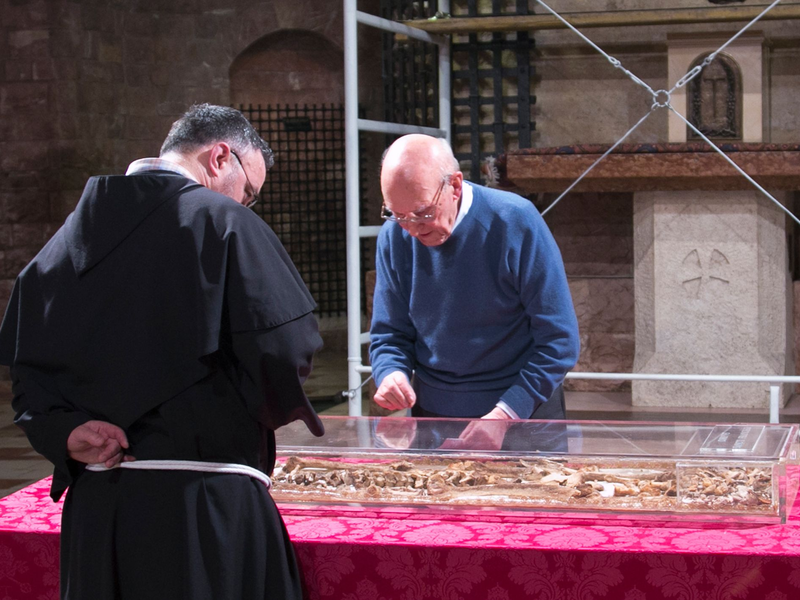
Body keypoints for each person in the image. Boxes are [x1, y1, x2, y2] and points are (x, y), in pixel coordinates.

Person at [0, 104, 323, 599]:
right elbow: (284, 350)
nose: (246, 204)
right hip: (202, 508)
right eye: (249, 191)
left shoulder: (61, 244)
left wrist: (64, 431)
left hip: (98, 512)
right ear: (220, 157)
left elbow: (28, 370)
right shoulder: (225, 223)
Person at [369, 134, 580, 448]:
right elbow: (389, 334)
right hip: (434, 417)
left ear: (454, 186)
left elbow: (559, 341)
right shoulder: (394, 237)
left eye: (423, 213)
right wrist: (391, 373)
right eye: (397, 215)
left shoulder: (515, 221)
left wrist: (505, 414)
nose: (412, 229)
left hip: (521, 415)